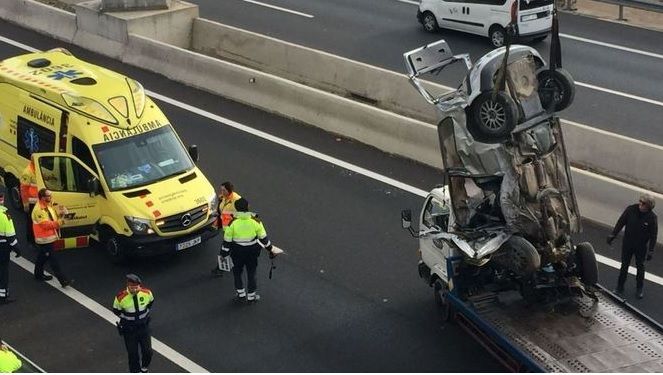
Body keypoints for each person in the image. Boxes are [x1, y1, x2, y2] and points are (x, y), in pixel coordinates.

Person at [220, 198, 274, 303]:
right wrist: (270, 249)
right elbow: (264, 239)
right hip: (252, 252)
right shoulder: (255, 221)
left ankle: (241, 295)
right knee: (251, 273)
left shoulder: (232, 223)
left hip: (237, 253)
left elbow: (226, 242)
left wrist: (223, 254)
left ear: (236, 209)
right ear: (248, 207)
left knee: (237, 273)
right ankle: (251, 296)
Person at [608, 194, 658, 299]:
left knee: (640, 267)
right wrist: (613, 234)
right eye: (640, 201)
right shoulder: (631, 210)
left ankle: (639, 288)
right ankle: (619, 287)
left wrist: (651, 250)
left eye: (643, 203)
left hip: (641, 247)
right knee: (624, 266)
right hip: (628, 244)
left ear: (649, 206)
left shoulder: (652, 218)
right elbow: (621, 222)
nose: (640, 204)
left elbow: (653, 235)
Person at [113, 274, 154, 373]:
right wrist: (127, 319)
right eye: (132, 287)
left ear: (140, 286)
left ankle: (144, 368)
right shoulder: (121, 297)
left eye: (136, 287)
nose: (134, 290)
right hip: (129, 330)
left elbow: (150, 303)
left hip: (143, 328)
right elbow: (116, 310)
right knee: (132, 354)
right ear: (128, 285)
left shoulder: (147, 293)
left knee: (148, 351)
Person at [32, 188, 73, 288]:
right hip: (44, 240)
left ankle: (38, 274)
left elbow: (53, 216)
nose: (51, 198)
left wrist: (62, 214)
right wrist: (63, 221)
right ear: (42, 198)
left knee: (43, 256)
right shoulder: (38, 210)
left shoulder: (47, 206)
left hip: (49, 238)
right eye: (48, 196)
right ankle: (63, 280)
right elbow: (46, 225)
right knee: (53, 260)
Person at [211, 181, 242, 277]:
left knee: (224, 250)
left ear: (229, 190)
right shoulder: (223, 198)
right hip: (227, 230)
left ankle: (220, 269)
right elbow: (222, 210)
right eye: (221, 189)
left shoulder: (237, 200)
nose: (221, 192)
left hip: (233, 231)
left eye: (224, 190)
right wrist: (217, 213)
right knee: (231, 250)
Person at [0, 194, 22, 304]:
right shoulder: (4, 215)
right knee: (3, 272)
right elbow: (10, 235)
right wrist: (17, 249)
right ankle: (3, 296)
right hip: (2, 247)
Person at [20, 159, 38, 245]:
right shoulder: (27, 172)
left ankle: (36, 238)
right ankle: (30, 240)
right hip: (31, 202)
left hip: (38, 201)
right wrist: (25, 204)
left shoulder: (36, 168)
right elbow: (23, 189)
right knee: (31, 221)